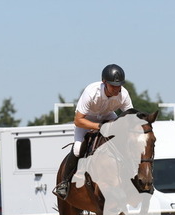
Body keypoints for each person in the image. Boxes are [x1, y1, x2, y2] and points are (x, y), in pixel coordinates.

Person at [53, 64, 134, 199]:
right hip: (86, 119)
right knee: (78, 148)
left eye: (119, 85)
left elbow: (131, 117)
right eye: (113, 86)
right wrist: (100, 126)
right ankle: (64, 183)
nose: (117, 89)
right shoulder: (91, 92)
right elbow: (78, 120)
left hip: (108, 116)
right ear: (104, 82)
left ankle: (132, 176)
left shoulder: (123, 94)